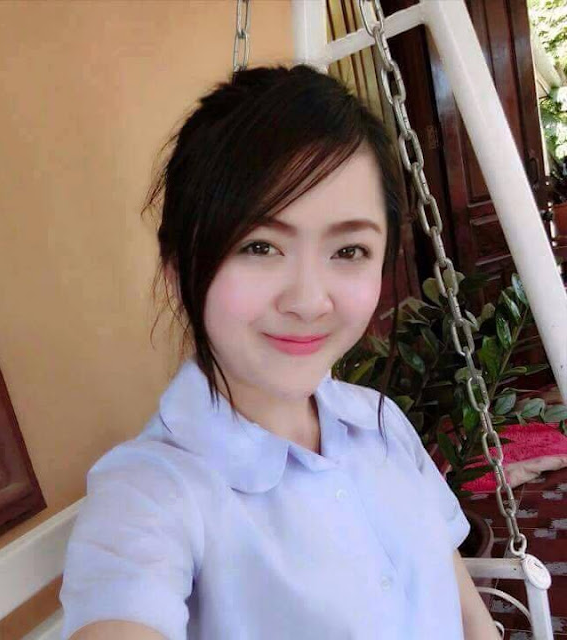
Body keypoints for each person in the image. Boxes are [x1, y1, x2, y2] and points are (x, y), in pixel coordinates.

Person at [58, 64, 478, 640]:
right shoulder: (152, 493)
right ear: (179, 270)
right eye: (259, 247)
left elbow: (460, 599)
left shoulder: (378, 420)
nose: (308, 301)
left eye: (349, 251)